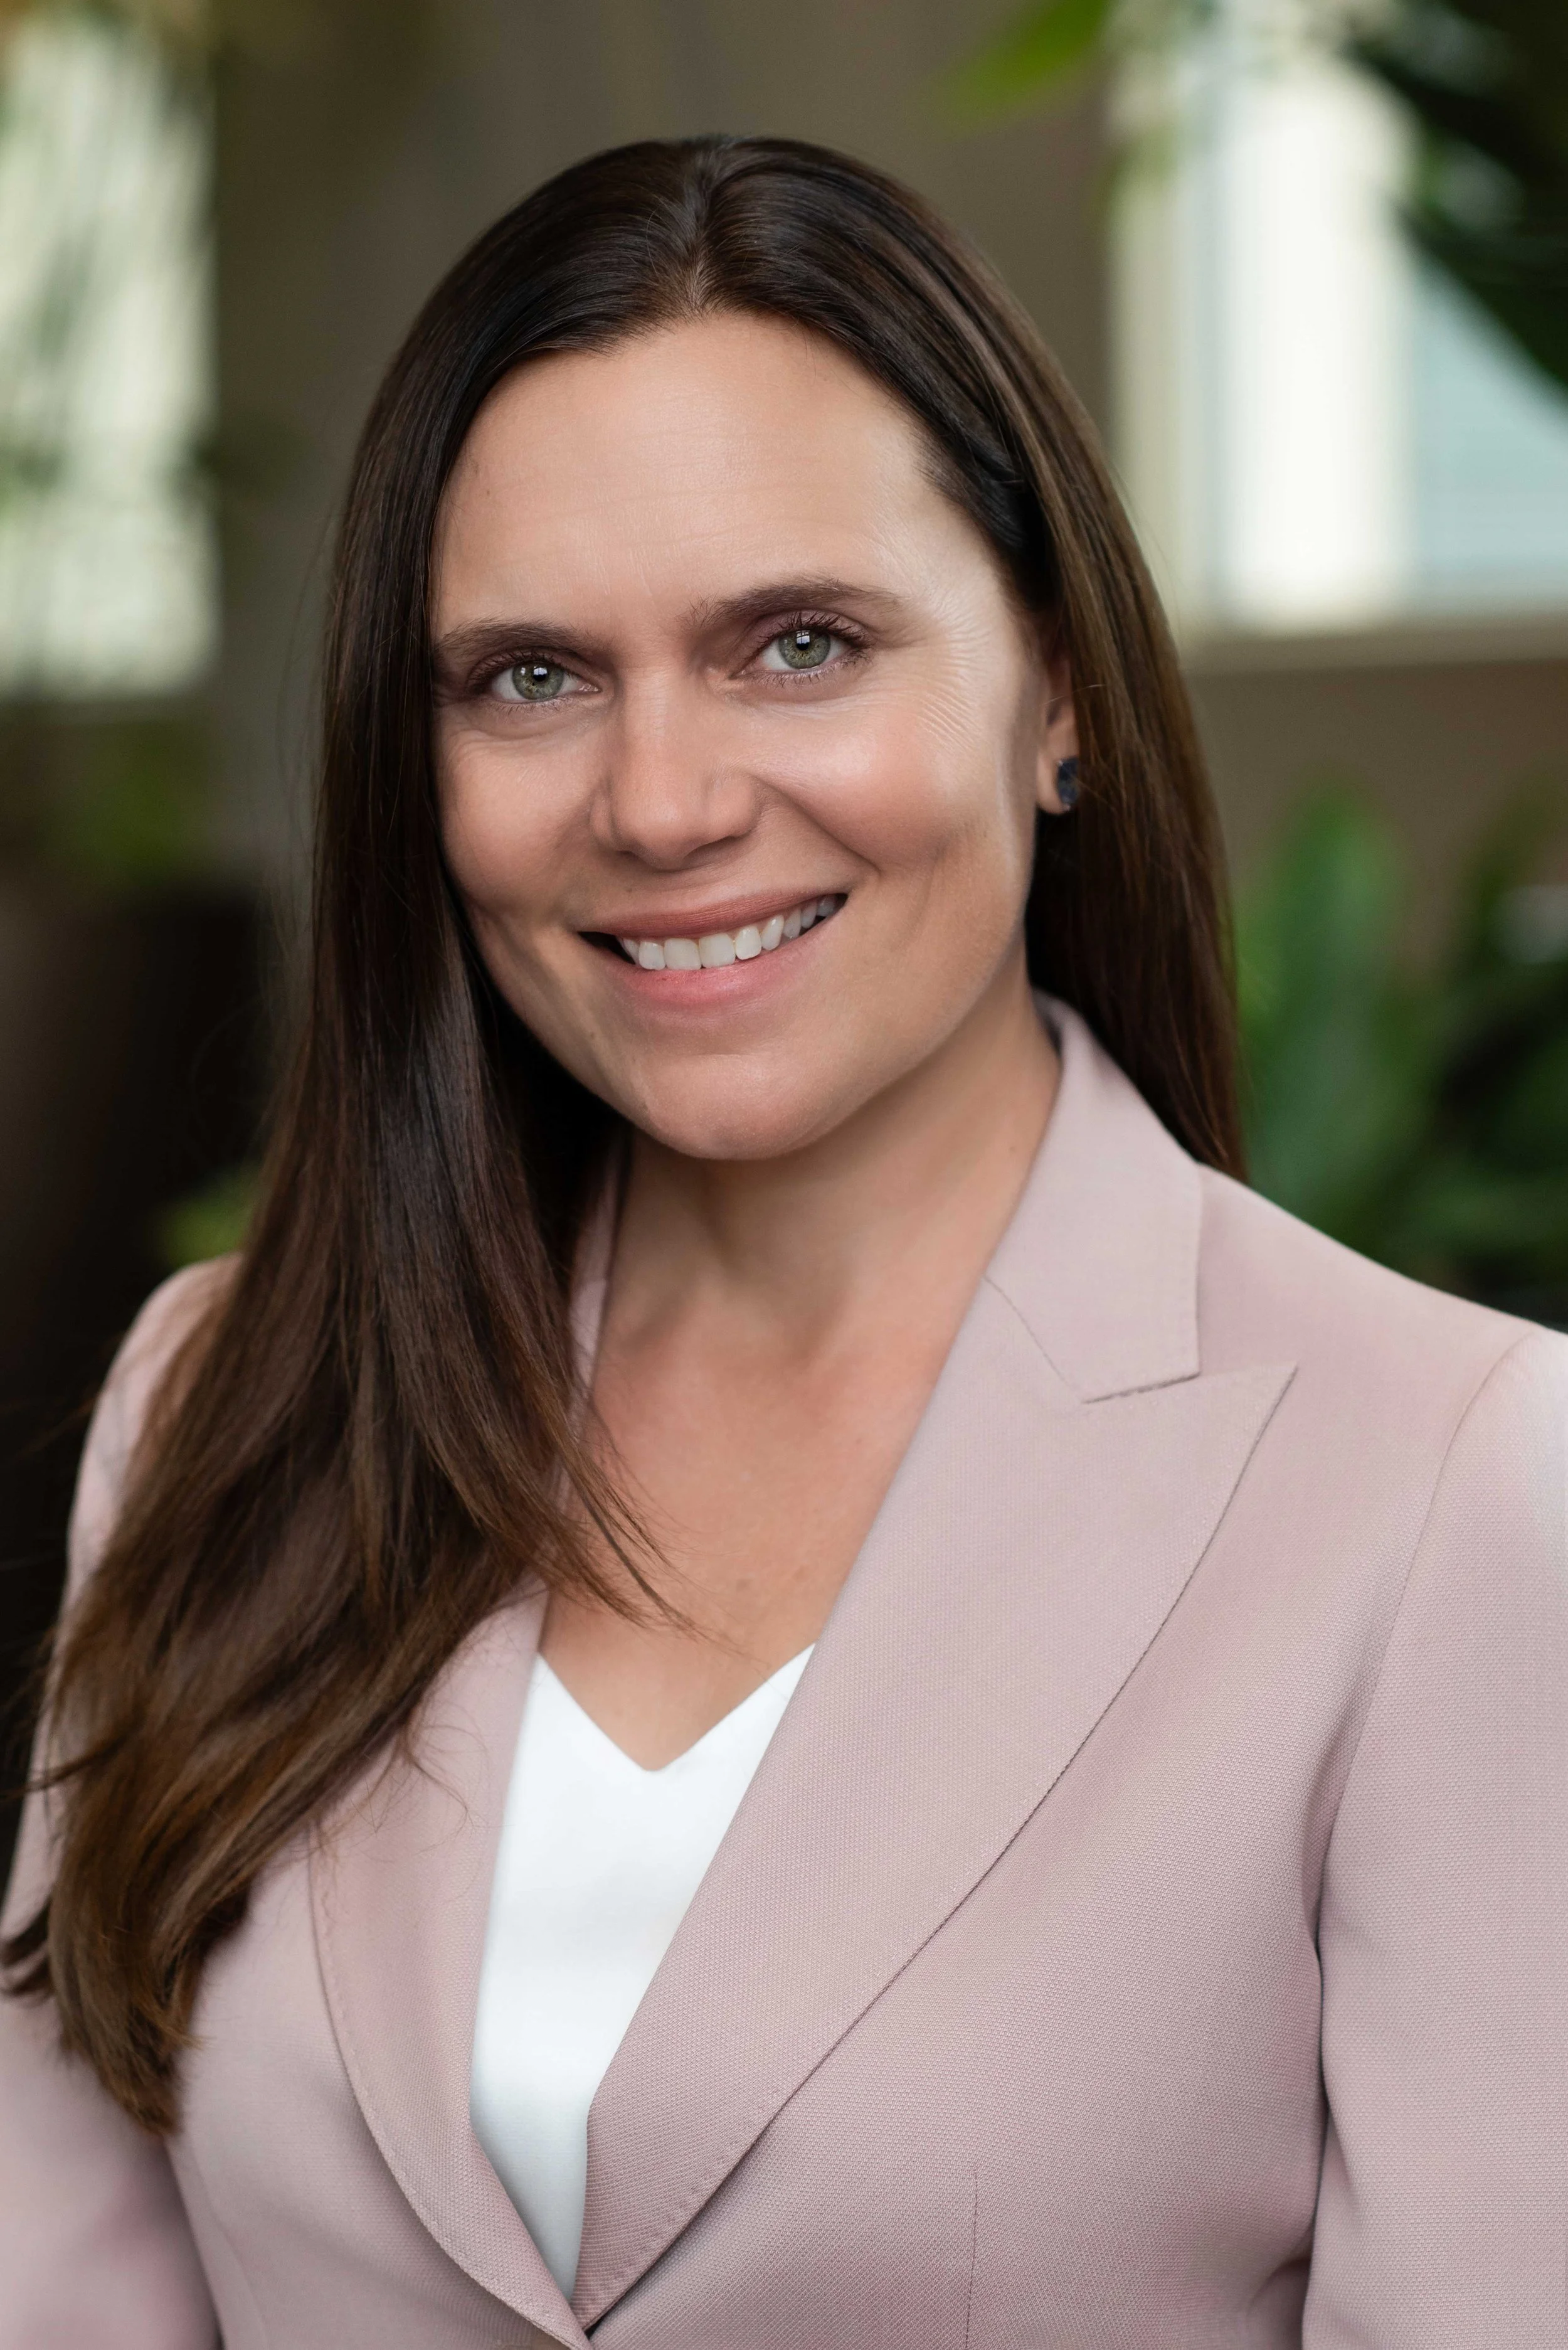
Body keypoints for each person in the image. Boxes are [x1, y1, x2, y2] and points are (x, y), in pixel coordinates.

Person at [2, 134, 1564, 2350]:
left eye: (797, 644)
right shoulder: (219, 1398)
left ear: (1056, 694)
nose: (659, 800)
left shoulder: (1444, 1483)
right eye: (530, 678)